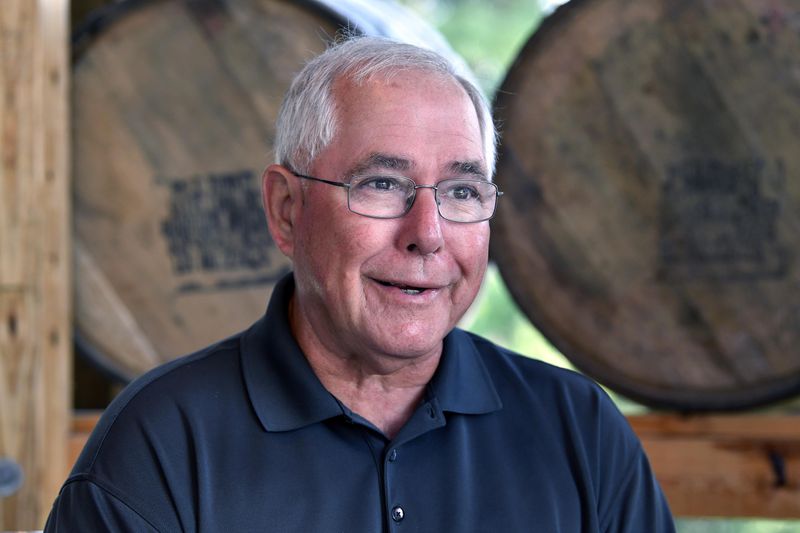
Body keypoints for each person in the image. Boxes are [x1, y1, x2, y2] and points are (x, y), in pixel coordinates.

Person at [45, 36, 675, 532]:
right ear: (287, 210)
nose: (426, 233)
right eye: (382, 184)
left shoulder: (578, 430)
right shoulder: (158, 446)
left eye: (460, 191)